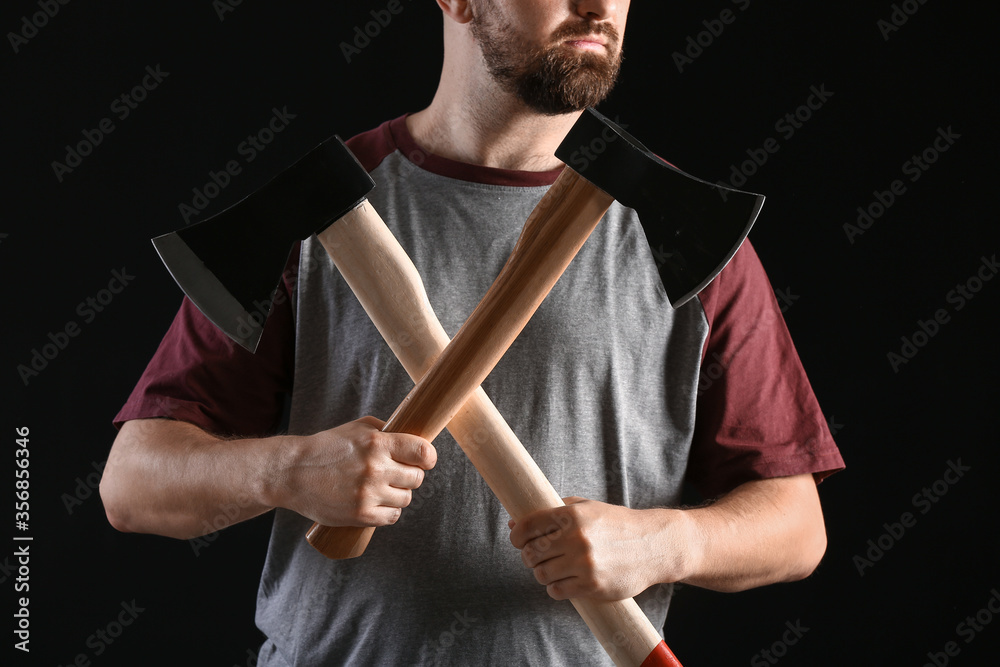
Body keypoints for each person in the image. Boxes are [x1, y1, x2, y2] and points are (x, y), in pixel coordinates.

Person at [101, 1, 845, 664]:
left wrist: (663, 543)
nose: (597, 8)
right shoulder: (318, 216)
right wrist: (288, 471)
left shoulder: (682, 237)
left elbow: (796, 524)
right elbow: (132, 483)